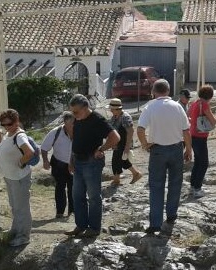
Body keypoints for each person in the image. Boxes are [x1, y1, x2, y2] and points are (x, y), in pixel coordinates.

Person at [138, 79, 193, 235]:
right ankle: (171, 216)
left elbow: (140, 129)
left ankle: (155, 223)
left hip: (157, 151)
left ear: (154, 92)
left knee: (156, 186)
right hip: (176, 149)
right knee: (175, 183)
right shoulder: (177, 107)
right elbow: (186, 131)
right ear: (168, 91)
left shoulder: (149, 107)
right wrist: (188, 149)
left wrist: (144, 144)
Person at [65, 94, 119, 238]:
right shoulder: (77, 120)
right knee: (77, 195)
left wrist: (101, 149)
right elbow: (74, 141)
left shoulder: (97, 119)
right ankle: (81, 225)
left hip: (91, 163)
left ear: (85, 107)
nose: (74, 115)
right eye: (72, 112)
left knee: (94, 196)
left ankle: (94, 228)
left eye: (76, 112)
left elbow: (115, 137)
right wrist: (71, 160)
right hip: (78, 161)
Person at [0, 109, 34, 247]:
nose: (6, 127)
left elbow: (29, 152)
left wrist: (21, 162)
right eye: (3, 124)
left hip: (19, 177)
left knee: (21, 207)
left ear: (16, 122)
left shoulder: (19, 136)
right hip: (10, 176)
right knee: (14, 206)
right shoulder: (9, 133)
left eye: (9, 124)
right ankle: (16, 230)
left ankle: (24, 236)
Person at [41, 111, 75, 218]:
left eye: (74, 122)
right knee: (60, 187)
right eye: (70, 123)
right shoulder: (56, 132)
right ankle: (60, 212)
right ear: (65, 122)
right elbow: (44, 148)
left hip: (74, 164)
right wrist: (45, 161)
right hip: (58, 163)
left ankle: (72, 211)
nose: (73, 125)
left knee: (73, 188)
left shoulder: (80, 131)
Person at [187, 85, 216, 198]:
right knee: (204, 163)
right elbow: (213, 121)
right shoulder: (204, 105)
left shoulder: (195, 102)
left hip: (192, 134)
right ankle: (197, 188)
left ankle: (193, 186)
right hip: (200, 136)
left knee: (198, 162)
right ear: (210, 95)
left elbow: (187, 114)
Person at [107, 98, 142, 186]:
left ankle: (116, 179)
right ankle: (135, 173)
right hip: (117, 142)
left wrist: (127, 147)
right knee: (122, 160)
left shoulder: (125, 117)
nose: (110, 110)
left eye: (112, 108)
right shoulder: (114, 117)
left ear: (117, 109)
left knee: (116, 160)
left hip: (124, 143)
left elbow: (130, 131)